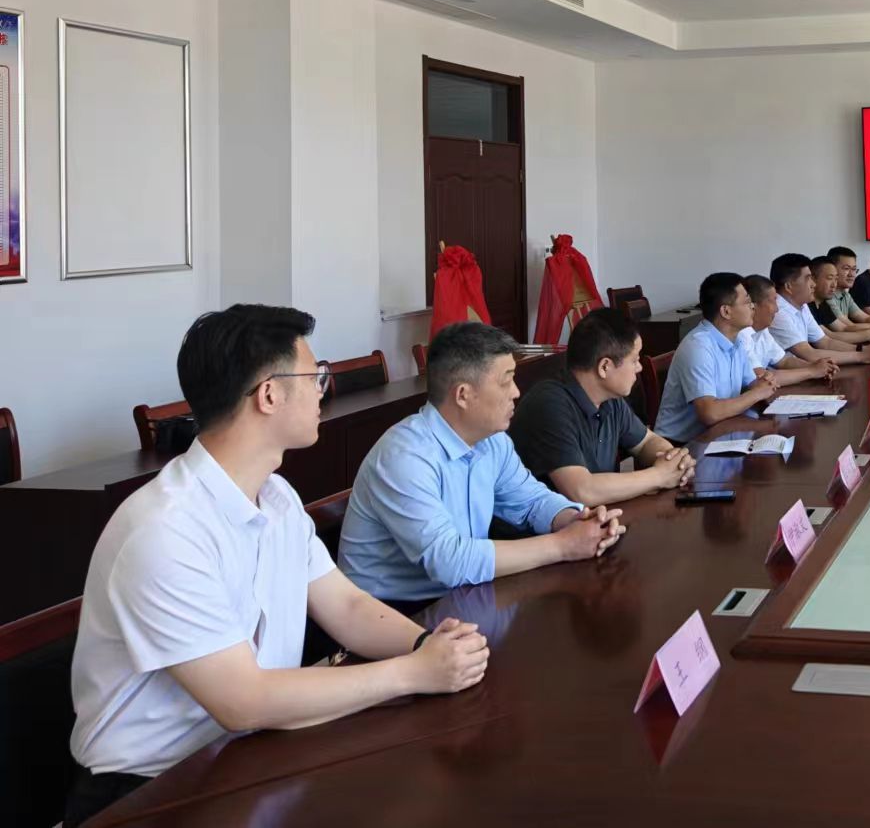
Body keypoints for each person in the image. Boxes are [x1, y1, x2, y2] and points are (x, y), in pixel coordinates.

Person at [66, 306, 490, 827]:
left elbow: (346, 606)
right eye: (314, 377)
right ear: (268, 395)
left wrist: (429, 645)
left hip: (248, 754)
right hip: (149, 791)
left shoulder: (277, 496)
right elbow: (243, 700)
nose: (323, 392)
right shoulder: (165, 530)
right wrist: (413, 672)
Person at [339, 322, 624, 606]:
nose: (516, 392)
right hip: (391, 612)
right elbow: (449, 561)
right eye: (506, 381)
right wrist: (563, 545)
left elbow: (531, 501)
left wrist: (576, 519)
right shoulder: (404, 458)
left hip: (460, 596)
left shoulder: (492, 441)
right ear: (463, 395)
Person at [509, 308, 697, 508]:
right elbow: (581, 491)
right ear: (604, 367)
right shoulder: (549, 405)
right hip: (546, 525)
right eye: (634, 360)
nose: (639, 367)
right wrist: (659, 476)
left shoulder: (609, 398)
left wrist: (674, 461)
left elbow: (646, 442)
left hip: (597, 517)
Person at [654, 272, 780, 442]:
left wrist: (764, 381)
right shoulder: (698, 346)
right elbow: (710, 413)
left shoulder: (736, 341)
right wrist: (757, 393)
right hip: (681, 445)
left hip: (720, 433)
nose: (753, 307)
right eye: (747, 302)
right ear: (726, 311)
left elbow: (751, 384)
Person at [768, 253, 870, 367]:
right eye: (808, 278)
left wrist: (864, 350)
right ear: (789, 286)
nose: (813, 284)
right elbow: (809, 354)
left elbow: (825, 342)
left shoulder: (802, 305)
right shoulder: (778, 312)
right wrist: (863, 356)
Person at [740, 275, 842, 387]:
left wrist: (817, 366)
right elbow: (762, 377)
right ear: (753, 307)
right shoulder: (741, 334)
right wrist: (812, 371)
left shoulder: (762, 331)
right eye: (773, 301)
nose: (777, 309)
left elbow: (784, 361)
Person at [808, 255, 870, 341]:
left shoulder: (823, 304)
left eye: (836, 279)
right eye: (830, 278)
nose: (834, 285)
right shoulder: (808, 306)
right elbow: (829, 339)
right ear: (813, 279)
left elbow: (842, 328)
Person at [828, 246, 870, 325]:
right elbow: (847, 326)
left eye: (854, 269)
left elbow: (865, 318)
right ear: (832, 269)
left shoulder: (845, 295)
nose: (851, 274)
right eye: (846, 268)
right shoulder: (827, 297)